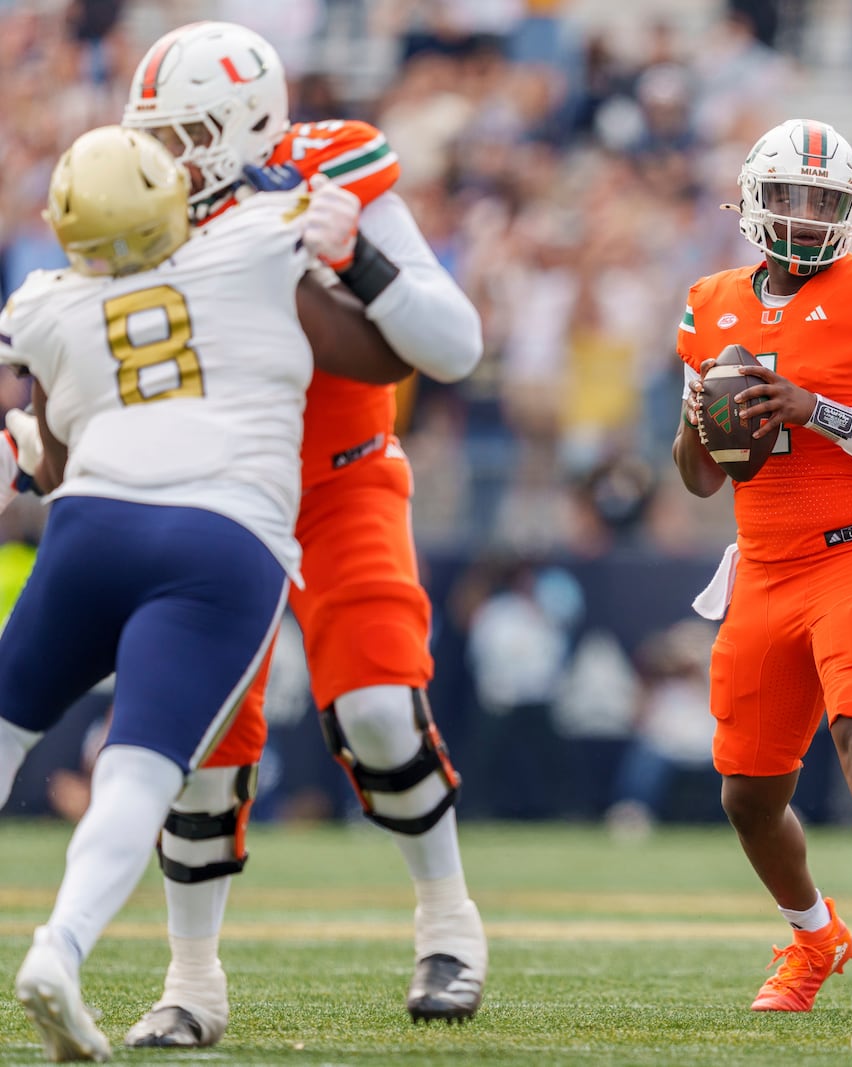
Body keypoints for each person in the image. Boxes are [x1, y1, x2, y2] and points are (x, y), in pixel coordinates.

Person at [114, 21, 487, 1046]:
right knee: (200, 751)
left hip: (338, 480)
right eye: (158, 133)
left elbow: (454, 345)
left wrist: (353, 255)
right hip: (213, 493)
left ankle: (447, 920)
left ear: (250, 124)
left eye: (190, 132)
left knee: (375, 707)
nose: (169, 156)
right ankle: (192, 979)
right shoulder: (139, 205)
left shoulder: (333, 172)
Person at [0, 125, 400, 1063]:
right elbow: (384, 354)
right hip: (218, 533)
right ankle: (59, 946)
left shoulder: (49, 303)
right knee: (139, 767)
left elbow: (51, 459)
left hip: (91, 523)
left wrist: (26, 444)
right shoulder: (257, 241)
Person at [672, 117, 852, 1011]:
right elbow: (700, 480)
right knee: (748, 795)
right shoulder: (711, 300)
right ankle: (815, 933)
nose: (803, 215)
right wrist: (695, 417)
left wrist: (812, 408)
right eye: (788, 196)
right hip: (760, 561)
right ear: (752, 200)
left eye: (823, 201)